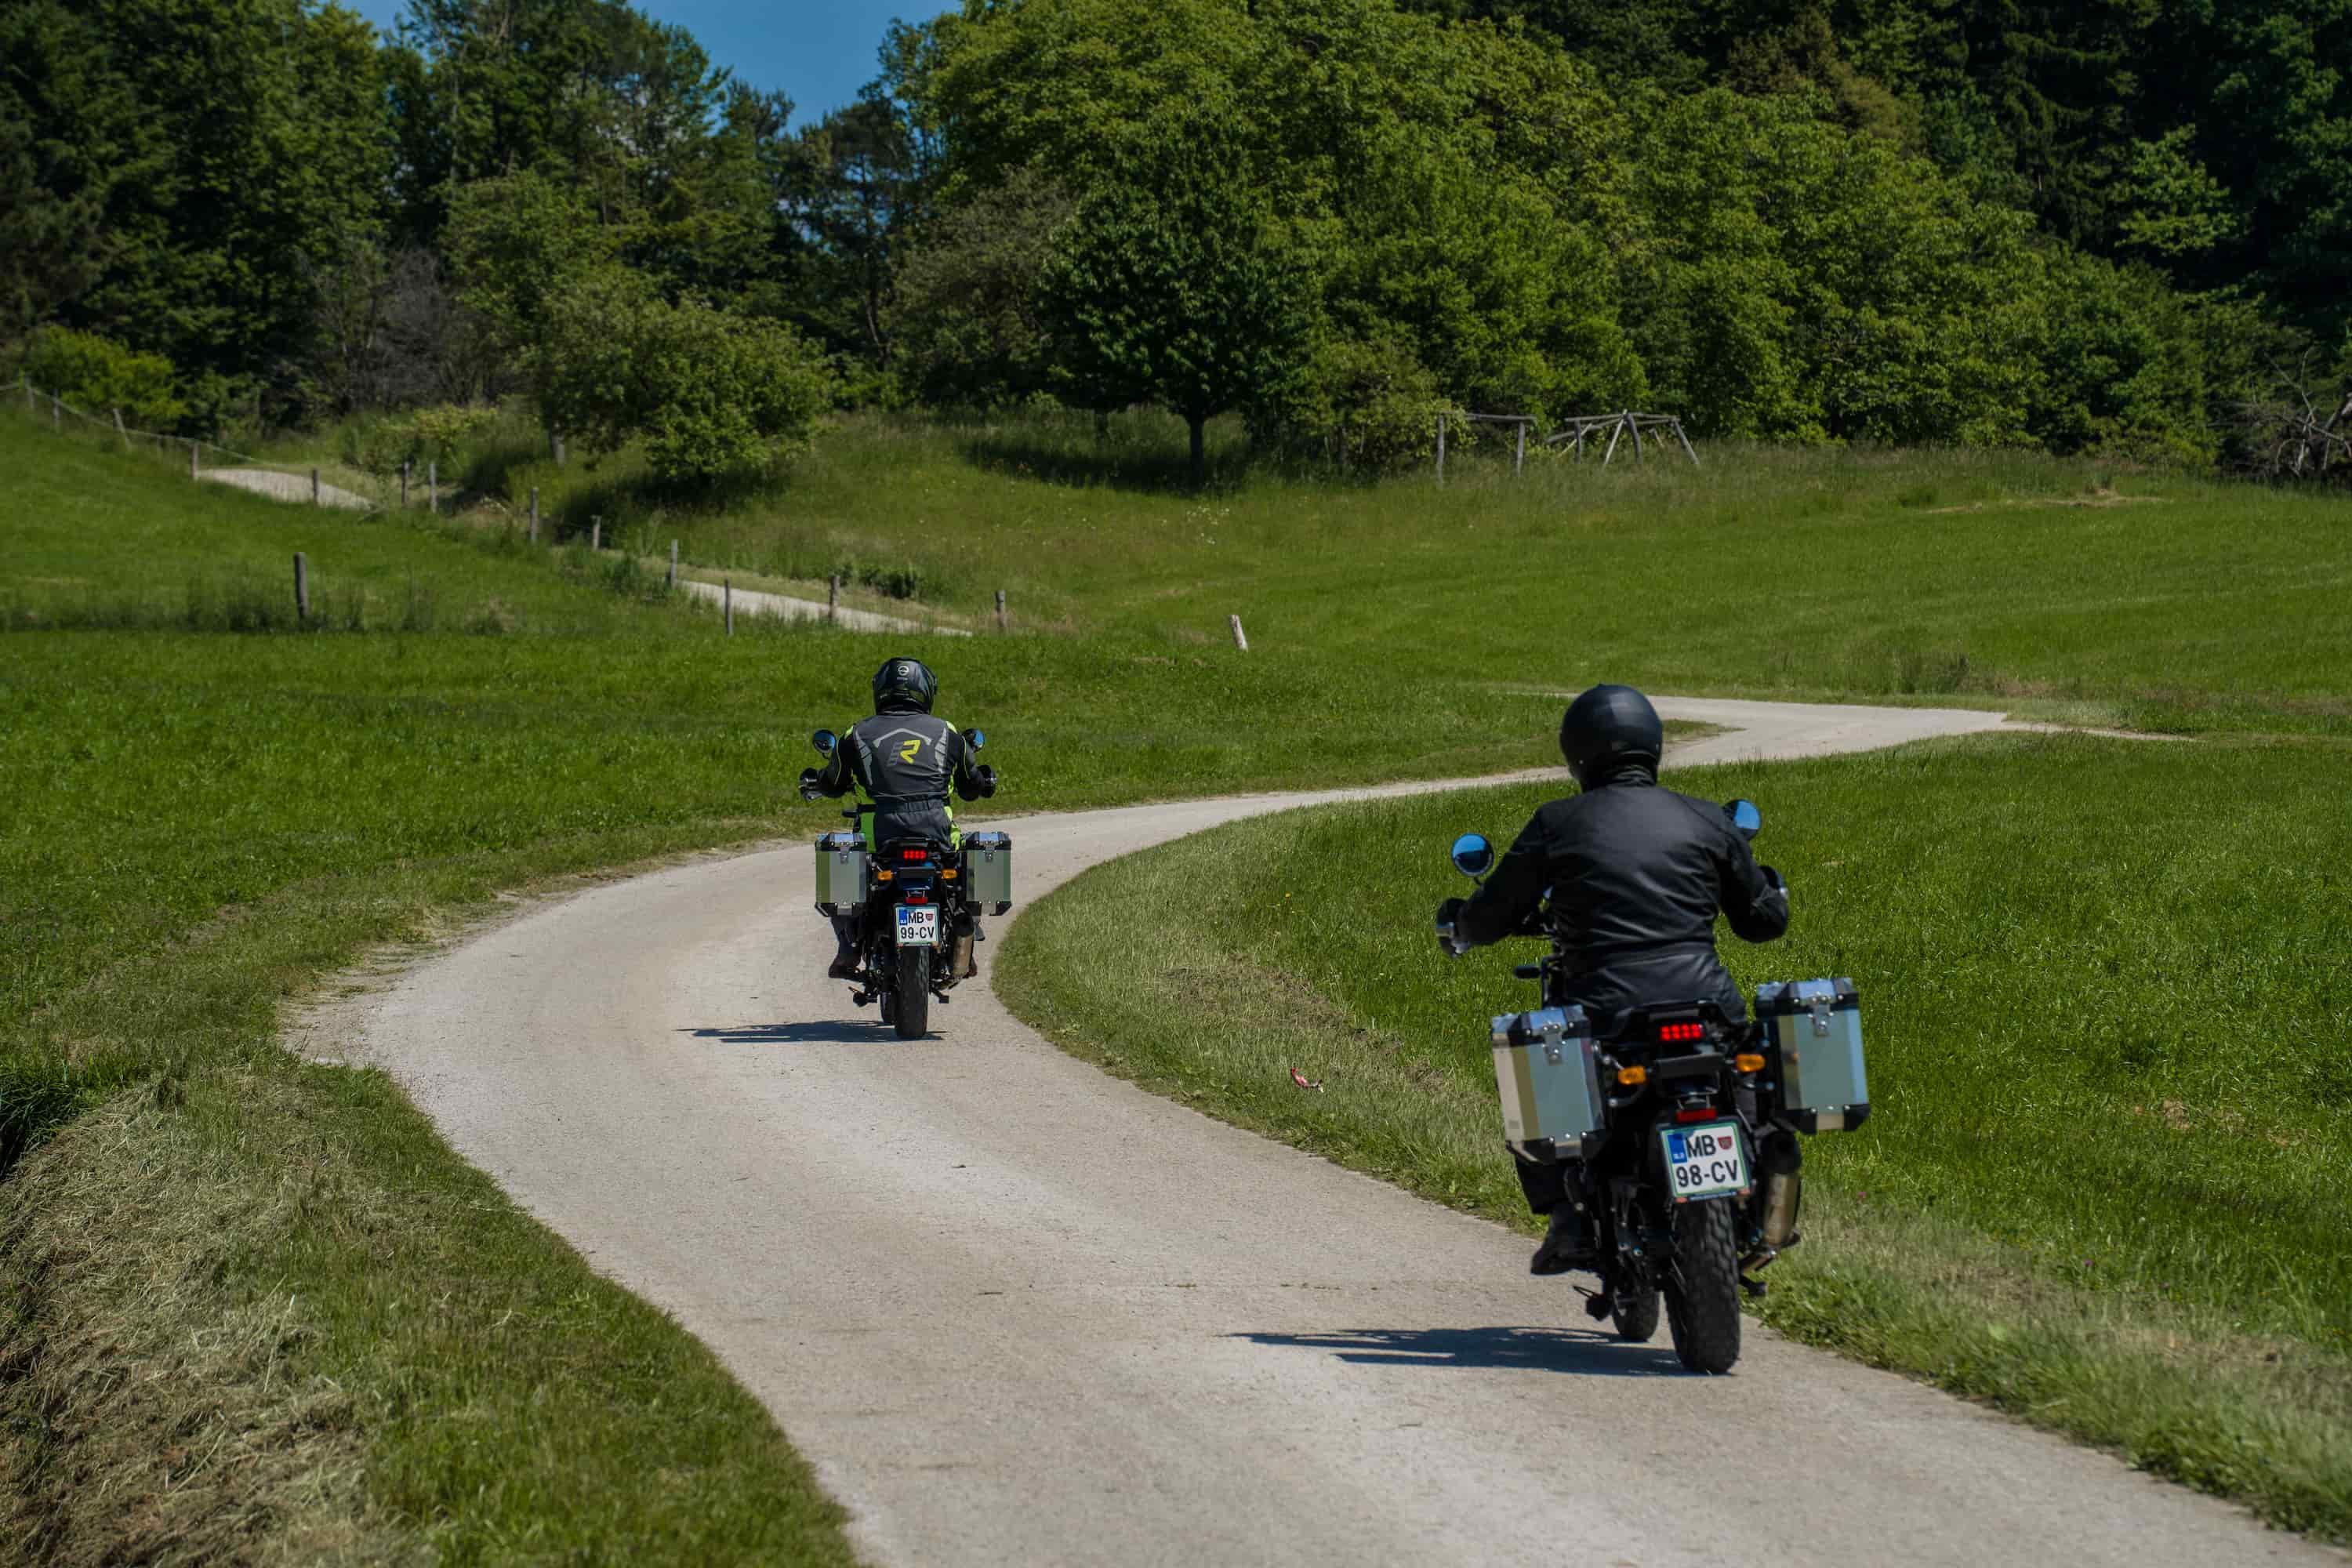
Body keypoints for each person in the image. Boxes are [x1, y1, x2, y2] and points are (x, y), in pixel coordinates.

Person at [1437, 683, 1789, 1276]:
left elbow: (1493, 912)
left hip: (1609, 1012)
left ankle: (1567, 1217)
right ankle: (1767, 1181)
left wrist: (1461, 926)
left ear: (1577, 753)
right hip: (1709, 1009)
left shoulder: (1558, 823)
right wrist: (1767, 888)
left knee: (1535, 1049)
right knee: (1756, 1075)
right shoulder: (1705, 818)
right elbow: (1764, 922)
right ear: (1653, 745)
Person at [801, 655, 996, 980]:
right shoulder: (947, 732)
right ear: (925, 690)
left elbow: (833, 785)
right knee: (962, 873)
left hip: (878, 836)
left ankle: (847, 947)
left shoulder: (857, 734)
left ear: (880, 690)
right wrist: (984, 781)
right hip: (938, 834)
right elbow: (971, 785)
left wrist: (814, 782)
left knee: (843, 857)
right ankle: (966, 938)